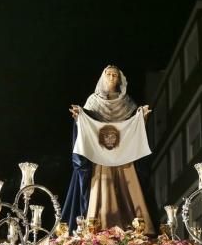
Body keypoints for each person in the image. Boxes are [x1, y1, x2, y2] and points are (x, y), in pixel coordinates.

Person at [62, 65, 154, 232]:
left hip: (124, 156)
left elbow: (132, 126)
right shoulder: (93, 101)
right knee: (100, 189)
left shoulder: (127, 103)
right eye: (109, 74)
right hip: (100, 156)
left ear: (120, 79)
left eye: (115, 75)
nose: (111, 77)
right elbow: (87, 123)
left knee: (130, 190)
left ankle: (135, 226)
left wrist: (142, 119)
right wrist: (79, 118)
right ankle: (99, 225)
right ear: (103, 78)